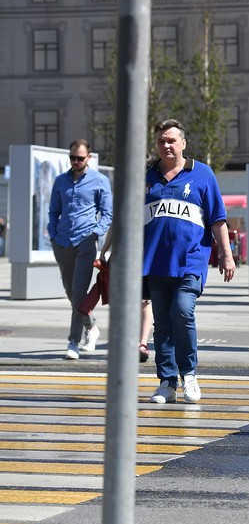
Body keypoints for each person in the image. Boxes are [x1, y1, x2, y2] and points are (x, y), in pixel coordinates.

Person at [144, 119, 235, 404]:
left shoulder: (202, 174)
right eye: (161, 141)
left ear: (183, 143)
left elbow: (217, 219)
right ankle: (167, 382)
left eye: (171, 140)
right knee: (162, 324)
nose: (166, 145)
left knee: (182, 312)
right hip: (155, 263)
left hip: (190, 261)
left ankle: (190, 375)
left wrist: (227, 254)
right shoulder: (146, 176)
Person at [48, 139, 113, 360]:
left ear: (89, 158)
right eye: (72, 158)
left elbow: (107, 213)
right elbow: (53, 211)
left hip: (86, 243)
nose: (75, 162)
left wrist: (95, 233)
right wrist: (54, 235)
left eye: (80, 158)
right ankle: (92, 327)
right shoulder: (60, 181)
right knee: (71, 293)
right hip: (63, 243)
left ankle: (73, 341)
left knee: (77, 293)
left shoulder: (100, 181)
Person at [100, 226, 153, 363]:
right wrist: (104, 250)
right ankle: (127, 343)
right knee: (120, 302)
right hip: (121, 257)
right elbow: (114, 226)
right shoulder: (122, 203)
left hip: (144, 257)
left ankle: (142, 344)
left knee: (144, 302)